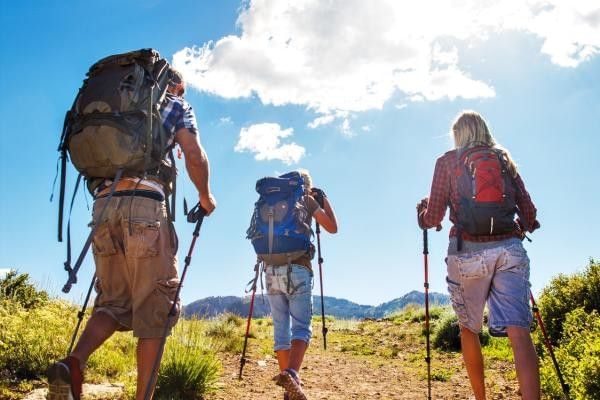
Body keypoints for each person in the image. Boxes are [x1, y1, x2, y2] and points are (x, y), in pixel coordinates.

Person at [47, 70, 217, 400]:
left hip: (103, 205)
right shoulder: (176, 103)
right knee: (156, 310)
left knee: (113, 303)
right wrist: (206, 197)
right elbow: (194, 154)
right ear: (175, 84)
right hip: (146, 205)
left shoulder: (115, 103)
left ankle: (73, 364)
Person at [417, 111, 540, 400]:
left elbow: (433, 216)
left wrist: (422, 215)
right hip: (509, 250)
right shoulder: (504, 160)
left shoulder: (447, 161)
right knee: (519, 332)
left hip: (466, 252)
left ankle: (481, 398)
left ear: (457, 134)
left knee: (469, 329)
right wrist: (524, 226)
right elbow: (530, 212)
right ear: (485, 130)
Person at [267, 169, 338, 400]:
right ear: (306, 186)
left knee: (281, 328)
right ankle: (292, 374)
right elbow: (332, 227)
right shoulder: (306, 199)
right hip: (298, 268)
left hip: (271, 270)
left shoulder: (273, 202)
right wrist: (323, 199)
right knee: (300, 327)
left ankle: (288, 385)